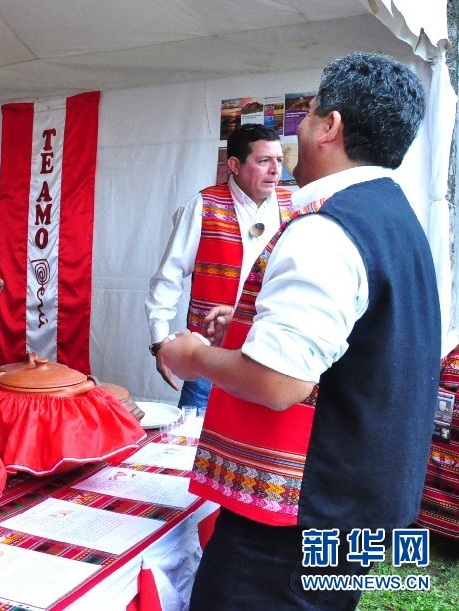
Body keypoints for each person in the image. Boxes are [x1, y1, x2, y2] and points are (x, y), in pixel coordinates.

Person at [159, 52, 438, 609]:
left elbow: (279, 381)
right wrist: (245, 324)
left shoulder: (328, 228)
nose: (296, 136)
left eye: (308, 116)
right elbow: (360, 339)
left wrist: (189, 356)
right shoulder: (393, 215)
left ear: (330, 127)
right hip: (354, 508)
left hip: (296, 520)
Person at [145, 123, 292, 409]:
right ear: (235, 165)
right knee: (196, 434)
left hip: (272, 354)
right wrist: (160, 341)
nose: (276, 170)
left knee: (256, 435)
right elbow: (168, 278)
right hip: (209, 356)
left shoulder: (294, 206)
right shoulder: (203, 205)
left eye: (279, 160)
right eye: (264, 161)